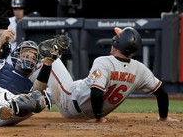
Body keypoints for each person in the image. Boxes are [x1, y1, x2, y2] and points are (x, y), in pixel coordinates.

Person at [30, 27, 180, 123]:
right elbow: (162, 94)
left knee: (48, 57)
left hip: (70, 101)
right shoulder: (140, 69)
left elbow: (96, 93)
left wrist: (99, 118)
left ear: (116, 42)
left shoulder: (103, 61)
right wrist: (164, 117)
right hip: (86, 110)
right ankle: (48, 97)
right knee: (81, 82)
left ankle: (23, 97)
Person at [7, 0, 26, 64]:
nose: (17, 11)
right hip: (10, 51)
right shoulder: (8, 21)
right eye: (15, 9)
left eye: (20, 9)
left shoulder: (28, 22)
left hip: (24, 51)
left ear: (24, 10)